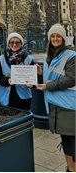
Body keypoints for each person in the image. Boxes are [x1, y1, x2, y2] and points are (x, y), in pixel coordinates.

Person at [36, 24, 75, 172]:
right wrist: (41, 73)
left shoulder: (71, 55)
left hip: (69, 106)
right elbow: (52, 76)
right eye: (52, 36)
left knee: (72, 141)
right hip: (57, 104)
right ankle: (69, 168)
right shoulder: (51, 55)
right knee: (65, 140)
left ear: (64, 38)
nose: (55, 38)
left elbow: (71, 79)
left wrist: (47, 86)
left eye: (58, 36)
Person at [0, 32, 34, 110]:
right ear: (8, 44)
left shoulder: (29, 59)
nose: (14, 44)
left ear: (21, 44)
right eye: (12, 42)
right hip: (6, 98)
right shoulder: (1, 59)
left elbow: (34, 79)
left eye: (17, 42)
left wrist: (31, 84)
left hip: (24, 98)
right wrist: (7, 80)